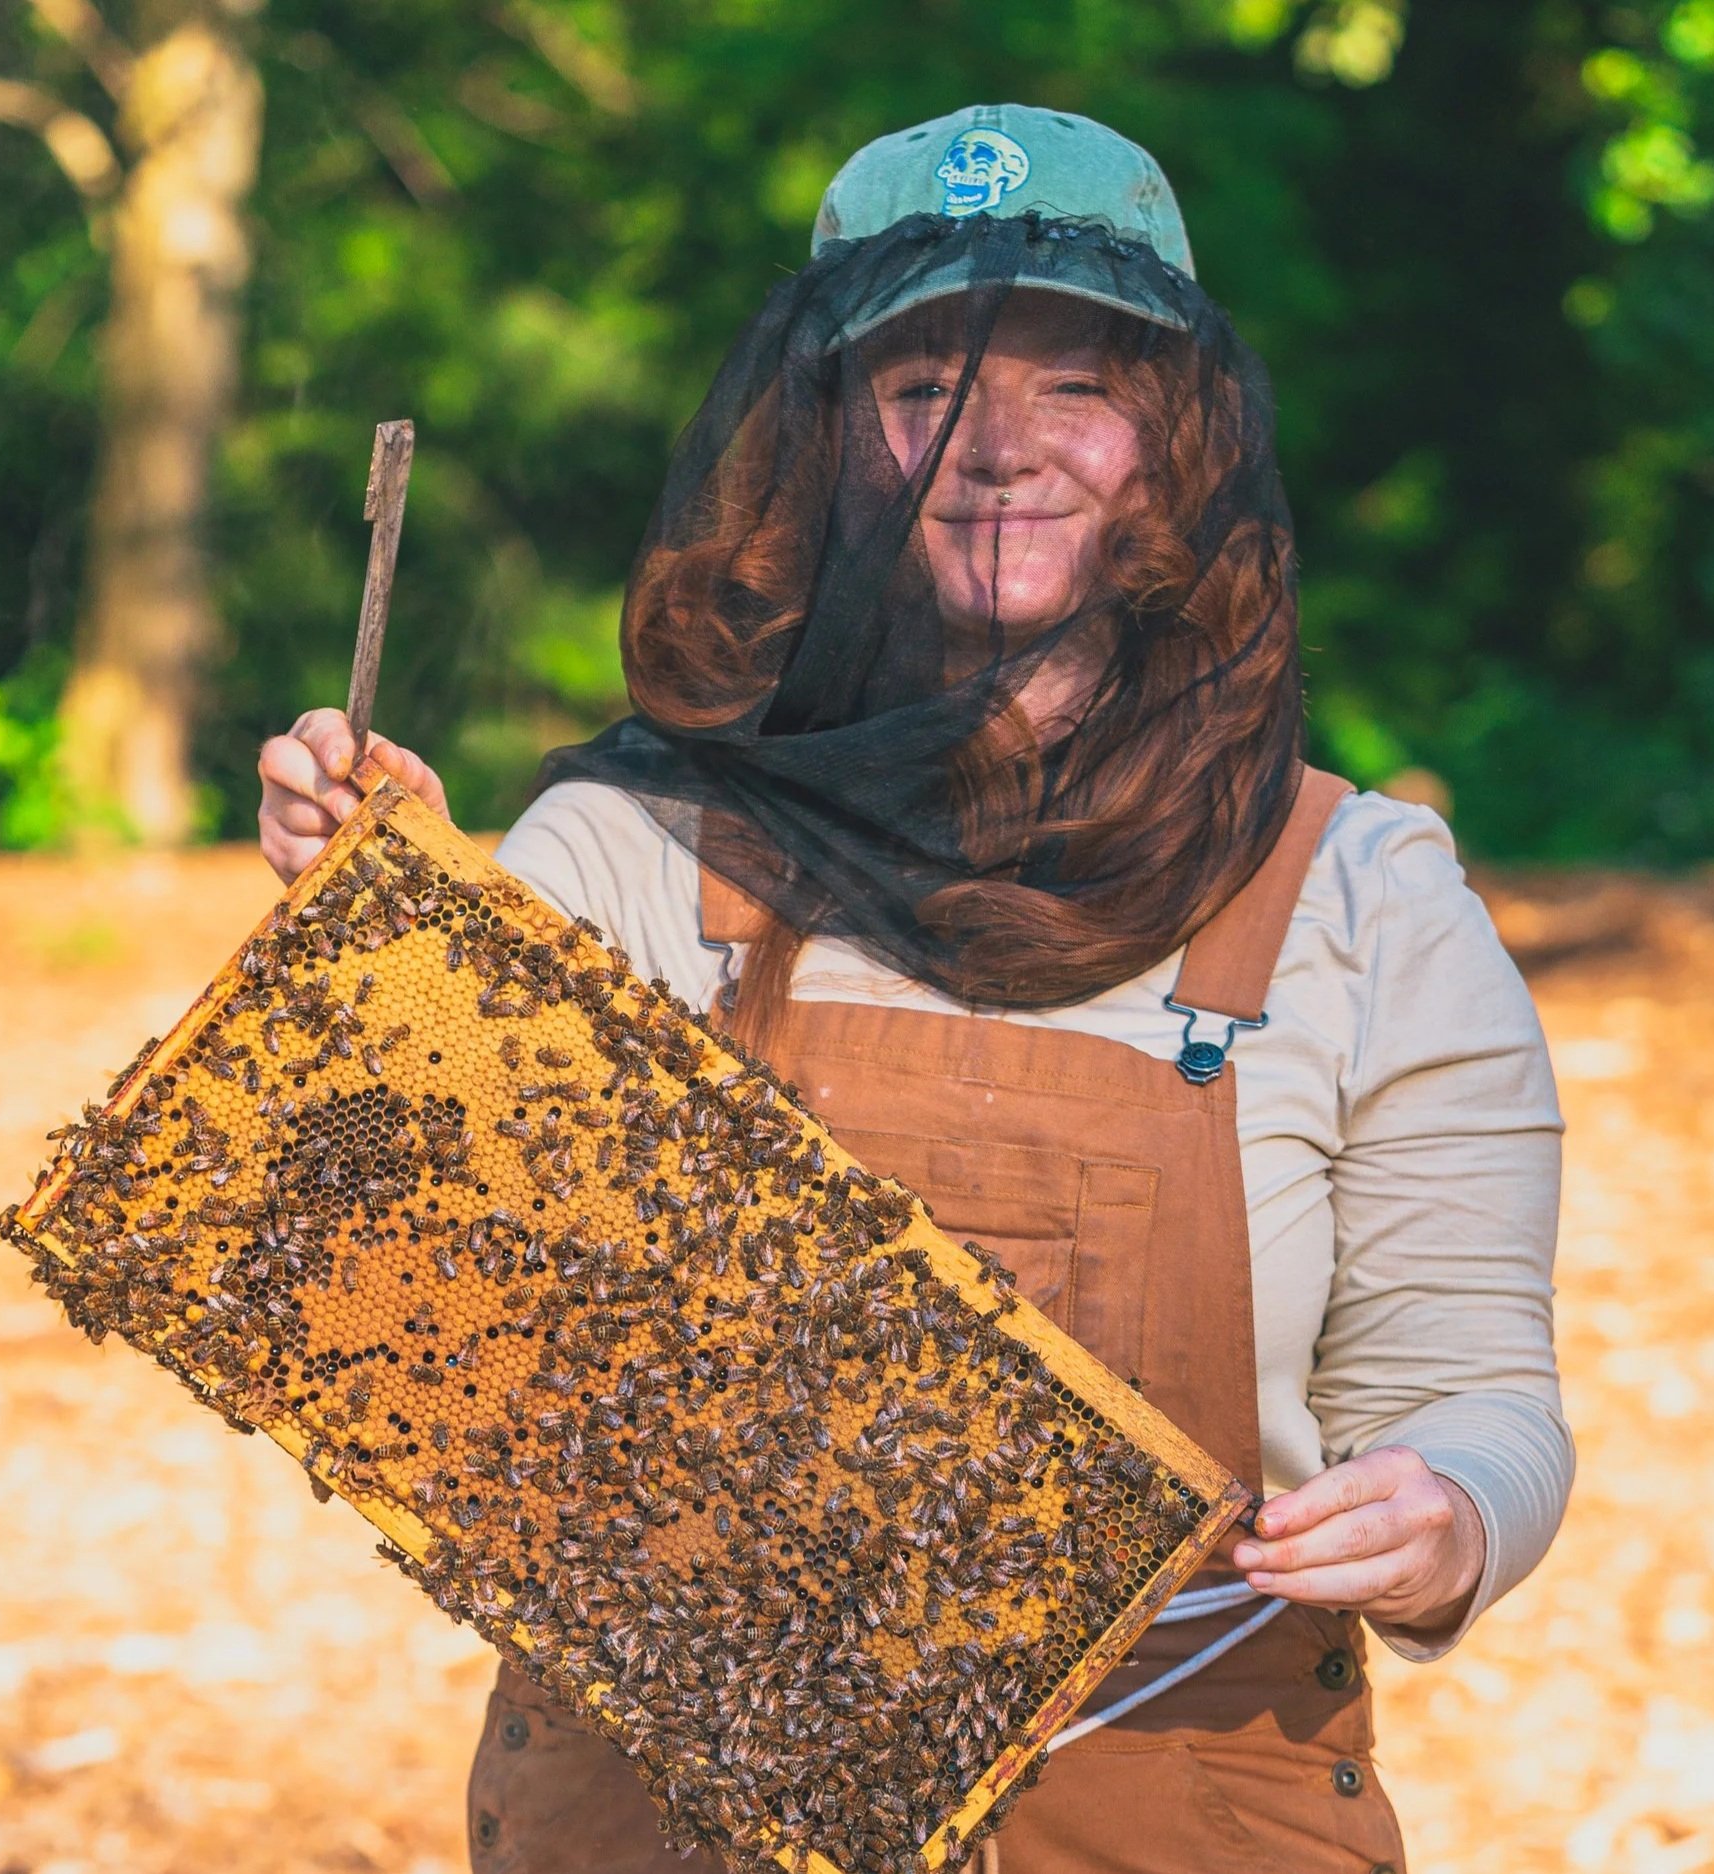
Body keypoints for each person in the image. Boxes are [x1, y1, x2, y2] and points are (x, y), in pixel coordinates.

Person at [258, 103, 1568, 1874]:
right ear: (823, 449)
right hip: (669, 1805)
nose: (995, 449)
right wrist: (402, 964)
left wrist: (1449, 1512)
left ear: (1176, 448)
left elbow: (1474, 1390)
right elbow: (403, 1272)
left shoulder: (1357, 902)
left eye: (1076, 389)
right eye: (921, 387)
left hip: (1172, 1795)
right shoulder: (640, 846)